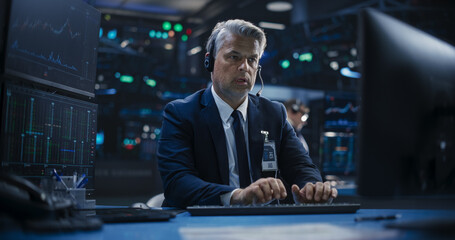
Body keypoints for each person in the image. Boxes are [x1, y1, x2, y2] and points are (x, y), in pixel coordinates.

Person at [157, 19, 337, 208]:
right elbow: (177, 183)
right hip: (202, 224)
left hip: (263, 227)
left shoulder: (274, 113)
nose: (244, 67)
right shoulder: (181, 113)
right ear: (209, 61)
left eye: (252, 59)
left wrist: (310, 188)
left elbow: (301, 167)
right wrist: (236, 196)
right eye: (234, 57)